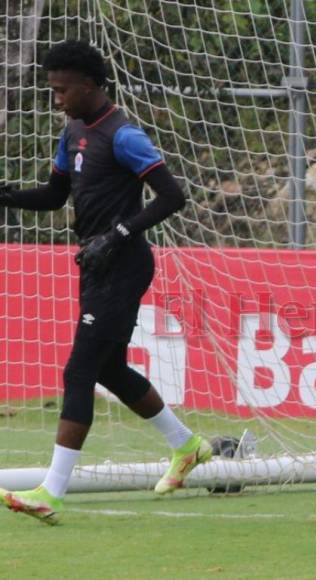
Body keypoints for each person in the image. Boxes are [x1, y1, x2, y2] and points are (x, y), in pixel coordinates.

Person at [0, 40, 211, 525]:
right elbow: (55, 195)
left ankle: (51, 492)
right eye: (52, 90)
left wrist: (116, 234)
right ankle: (188, 446)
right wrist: (7, 195)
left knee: (78, 373)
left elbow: (172, 197)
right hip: (96, 265)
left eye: (63, 90)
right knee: (110, 369)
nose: (57, 99)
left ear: (91, 85)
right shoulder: (72, 131)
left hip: (124, 263)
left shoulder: (123, 135)